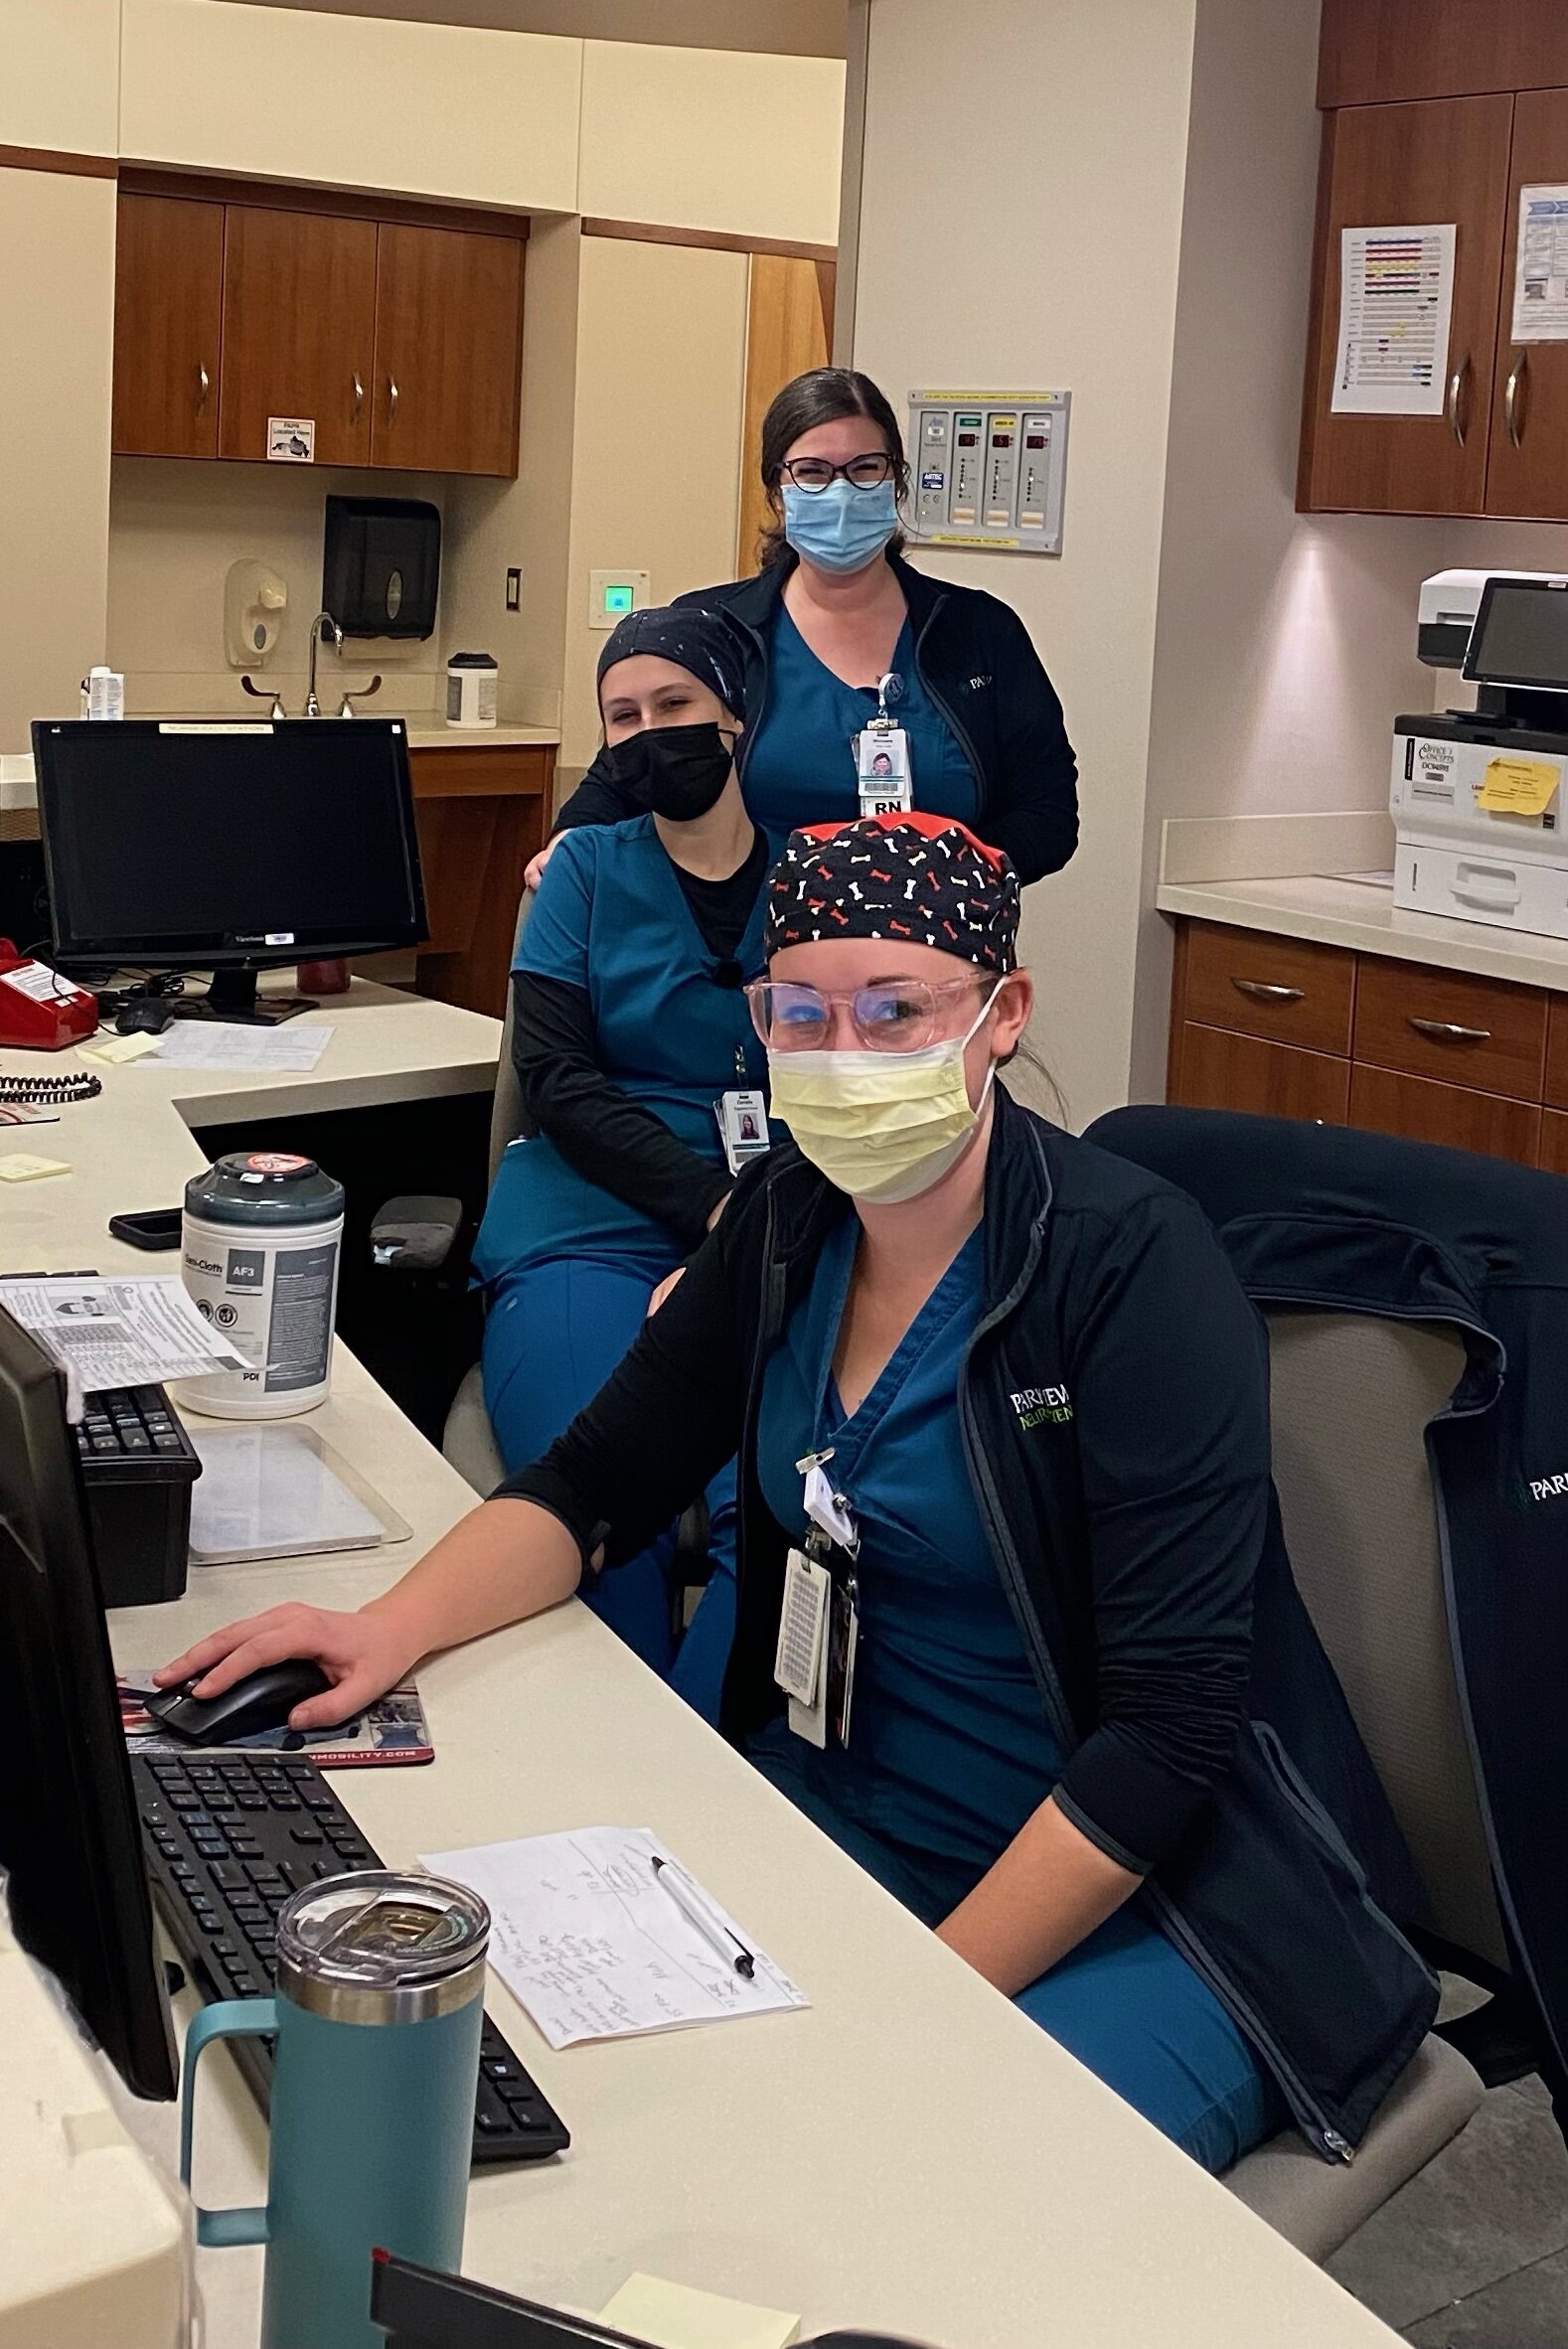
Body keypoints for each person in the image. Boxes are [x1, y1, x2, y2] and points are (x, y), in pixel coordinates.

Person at [159, 812, 1436, 2174]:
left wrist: (920, 1996)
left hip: (1148, 1898)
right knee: (593, 2104)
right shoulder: (788, 1215)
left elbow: (1169, 1740)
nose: (842, 1056)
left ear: (1000, 1014)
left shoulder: (1127, 1268)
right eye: (800, 1012)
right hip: (837, 1809)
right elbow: (598, 1482)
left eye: (896, 1011)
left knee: (892, 2176)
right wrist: (387, 1630)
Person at [467, 604, 772, 1708]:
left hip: (774, 1233)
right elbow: (558, 1080)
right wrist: (710, 1210)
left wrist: (755, 1230)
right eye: (623, 717)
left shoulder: (819, 878)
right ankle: (615, 1790)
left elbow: (855, 1084)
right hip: (585, 1226)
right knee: (602, 1507)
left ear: (736, 715)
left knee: (784, 1513)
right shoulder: (584, 872)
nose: (650, 733)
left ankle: (716, 1784)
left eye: (675, 706)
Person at [529, 367, 1077, 890]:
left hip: (938, 953)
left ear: (897, 484)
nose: (841, 491)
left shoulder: (979, 631)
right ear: (776, 493)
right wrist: (573, 838)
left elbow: (1048, 813)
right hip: (750, 950)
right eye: (813, 472)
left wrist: (947, 881)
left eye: (865, 469)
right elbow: (630, 767)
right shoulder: (715, 631)